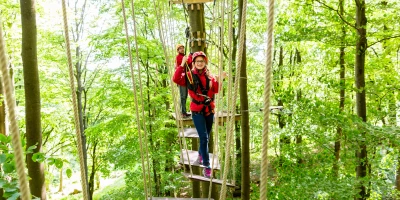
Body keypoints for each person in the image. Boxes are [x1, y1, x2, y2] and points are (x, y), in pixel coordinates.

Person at [173, 51, 226, 178]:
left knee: (206, 136)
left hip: (209, 110)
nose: (200, 63)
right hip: (197, 111)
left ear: (205, 62)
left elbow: (216, 90)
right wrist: (182, 64)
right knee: (204, 138)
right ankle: (207, 166)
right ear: (194, 63)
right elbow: (175, 79)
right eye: (197, 61)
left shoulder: (210, 76)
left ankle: (202, 154)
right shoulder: (189, 75)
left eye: (202, 61)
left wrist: (220, 80)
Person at [175, 44, 192, 118]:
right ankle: (182, 112)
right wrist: (191, 56)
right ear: (178, 50)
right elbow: (187, 62)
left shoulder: (183, 56)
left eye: (182, 48)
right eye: (180, 49)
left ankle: (184, 111)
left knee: (185, 96)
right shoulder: (178, 57)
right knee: (183, 96)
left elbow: (189, 64)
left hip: (185, 80)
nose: (182, 49)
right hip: (182, 80)